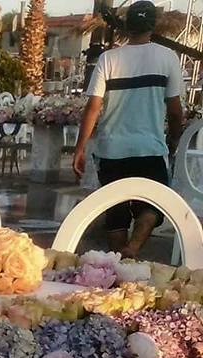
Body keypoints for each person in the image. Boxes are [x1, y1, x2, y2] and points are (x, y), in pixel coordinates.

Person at [73, 1, 184, 259]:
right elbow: (175, 111)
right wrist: (174, 139)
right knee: (153, 205)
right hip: (149, 148)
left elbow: (93, 107)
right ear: (152, 26)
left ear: (127, 26)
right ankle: (132, 249)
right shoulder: (168, 57)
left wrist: (80, 147)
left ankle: (117, 263)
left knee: (116, 212)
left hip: (112, 150)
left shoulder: (109, 58)